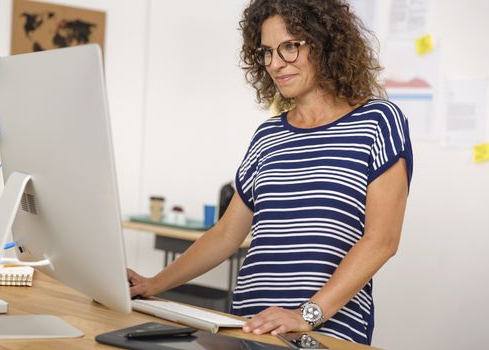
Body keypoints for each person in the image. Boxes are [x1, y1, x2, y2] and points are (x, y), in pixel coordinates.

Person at [128, 0, 413, 345]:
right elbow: (226, 235)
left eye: (290, 47)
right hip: (246, 326)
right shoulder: (269, 135)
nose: (276, 64)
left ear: (325, 43)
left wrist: (307, 313)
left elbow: (381, 240)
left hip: (326, 331)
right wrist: (152, 284)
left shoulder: (378, 121)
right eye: (266, 52)